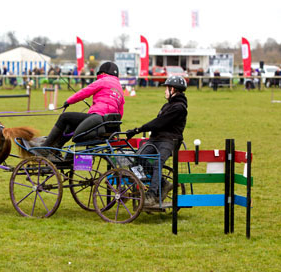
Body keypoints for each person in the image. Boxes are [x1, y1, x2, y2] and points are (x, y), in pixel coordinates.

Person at [125, 75, 188, 207]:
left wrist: (138, 129)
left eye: (167, 88)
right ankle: (163, 183)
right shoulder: (167, 105)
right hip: (155, 139)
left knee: (157, 163)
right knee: (136, 159)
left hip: (169, 141)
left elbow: (159, 122)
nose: (165, 91)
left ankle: (152, 196)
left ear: (173, 90)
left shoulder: (179, 107)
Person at [41, 61, 124, 151]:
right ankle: (56, 149)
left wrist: (69, 101)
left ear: (103, 73)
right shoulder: (119, 88)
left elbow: (84, 92)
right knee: (71, 123)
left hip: (98, 119)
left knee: (64, 117)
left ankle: (45, 147)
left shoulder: (102, 81)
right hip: (107, 123)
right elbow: (120, 111)